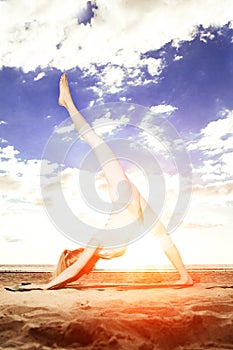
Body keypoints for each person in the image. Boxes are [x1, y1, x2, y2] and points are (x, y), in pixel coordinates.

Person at [25, 74, 193, 290]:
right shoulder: (100, 255)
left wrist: (42, 288)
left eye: (72, 260)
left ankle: (67, 103)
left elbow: (73, 272)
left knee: (97, 143)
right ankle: (185, 276)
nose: (77, 264)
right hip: (131, 208)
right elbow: (74, 275)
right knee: (161, 234)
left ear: (75, 255)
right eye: (72, 263)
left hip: (123, 200)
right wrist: (62, 279)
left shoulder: (95, 241)